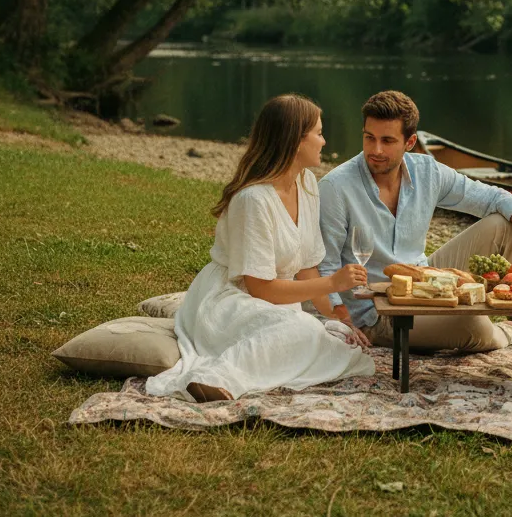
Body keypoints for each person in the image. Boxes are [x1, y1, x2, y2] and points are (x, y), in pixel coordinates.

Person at [319, 90, 512, 357]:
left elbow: (493, 197)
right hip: (377, 313)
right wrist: (342, 317)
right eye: (369, 137)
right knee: (473, 324)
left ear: (410, 142)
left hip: (424, 278)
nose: (376, 150)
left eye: (387, 140)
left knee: (504, 225)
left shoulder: (427, 171)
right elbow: (326, 263)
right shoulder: (337, 186)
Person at [146, 94, 375, 403]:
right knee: (301, 332)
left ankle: (272, 357)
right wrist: (334, 283)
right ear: (295, 140)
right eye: (318, 133)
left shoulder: (306, 184)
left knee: (343, 348)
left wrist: (337, 314)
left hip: (278, 305)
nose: (324, 141)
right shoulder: (252, 200)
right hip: (231, 299)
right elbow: (260, 289)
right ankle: (213, 379)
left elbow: (306, 267)